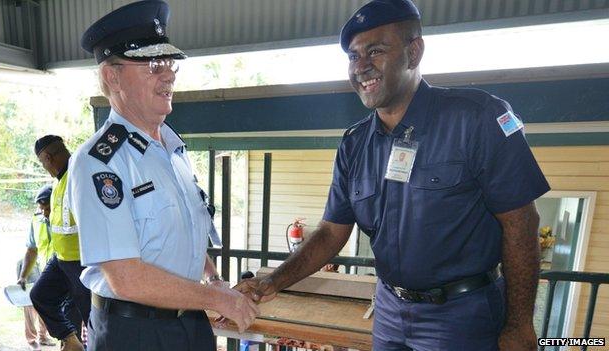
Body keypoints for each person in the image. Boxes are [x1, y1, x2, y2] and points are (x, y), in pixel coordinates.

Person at [235, 1, 550, 350]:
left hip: (462, 314)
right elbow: (330, 232)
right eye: (354, 56)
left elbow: (521, 223)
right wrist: (273, 281)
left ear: (414, 52)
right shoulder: (355, 144)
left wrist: (519, 324)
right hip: (388, 310)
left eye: (376, 50)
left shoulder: (476, 119)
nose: (362, 66)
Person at [68, 1, 259, 350]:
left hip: (189, 325)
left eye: (169, 64)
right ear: (112, 76)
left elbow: (179, 235)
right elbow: (125, 277)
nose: (168, 75)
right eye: (153, 66)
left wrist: (213, 279)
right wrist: (217, 300)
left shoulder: (173, 150)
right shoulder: (100, 162)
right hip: (134, 332)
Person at [31, 135, 91, 351]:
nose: (44, 167)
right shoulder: (58, 182)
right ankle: (71, 341)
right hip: (61, 260)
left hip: (82, 261)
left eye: (42, 163)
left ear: (47, 157)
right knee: (40, 295)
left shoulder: (80, 174)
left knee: (92, 318)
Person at [16, 185, 57, 350]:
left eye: (48, 208)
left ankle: (54, 338)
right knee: (33, 299)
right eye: (42, 209)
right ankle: (34, 339)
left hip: (64, 270)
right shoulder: (36, 219)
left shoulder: (67, 217)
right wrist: (23, 275)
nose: (45, 213)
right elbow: (32, 250)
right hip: (43, 270)